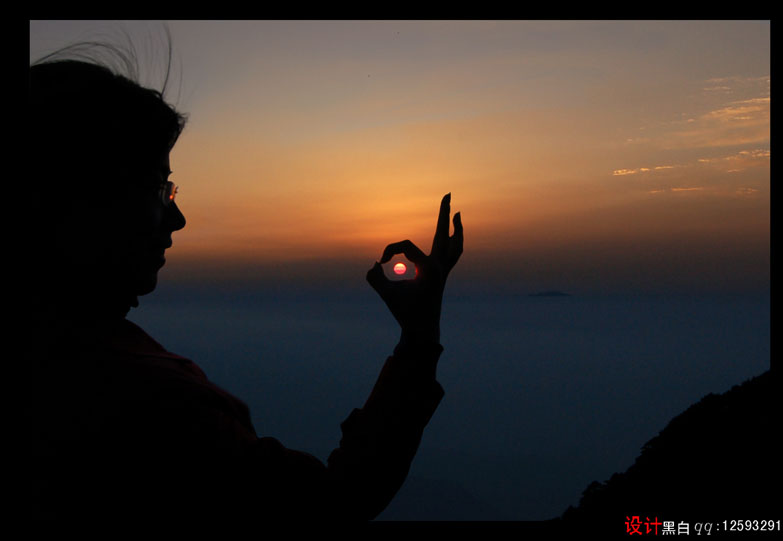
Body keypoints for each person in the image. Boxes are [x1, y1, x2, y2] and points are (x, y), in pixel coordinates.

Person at [29, 46, 463, 527]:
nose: (178, 217)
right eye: (157, 188)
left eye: (172, 191)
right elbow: (330, 505)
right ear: (78, 201)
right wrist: (419, 339)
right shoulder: (148, 407)